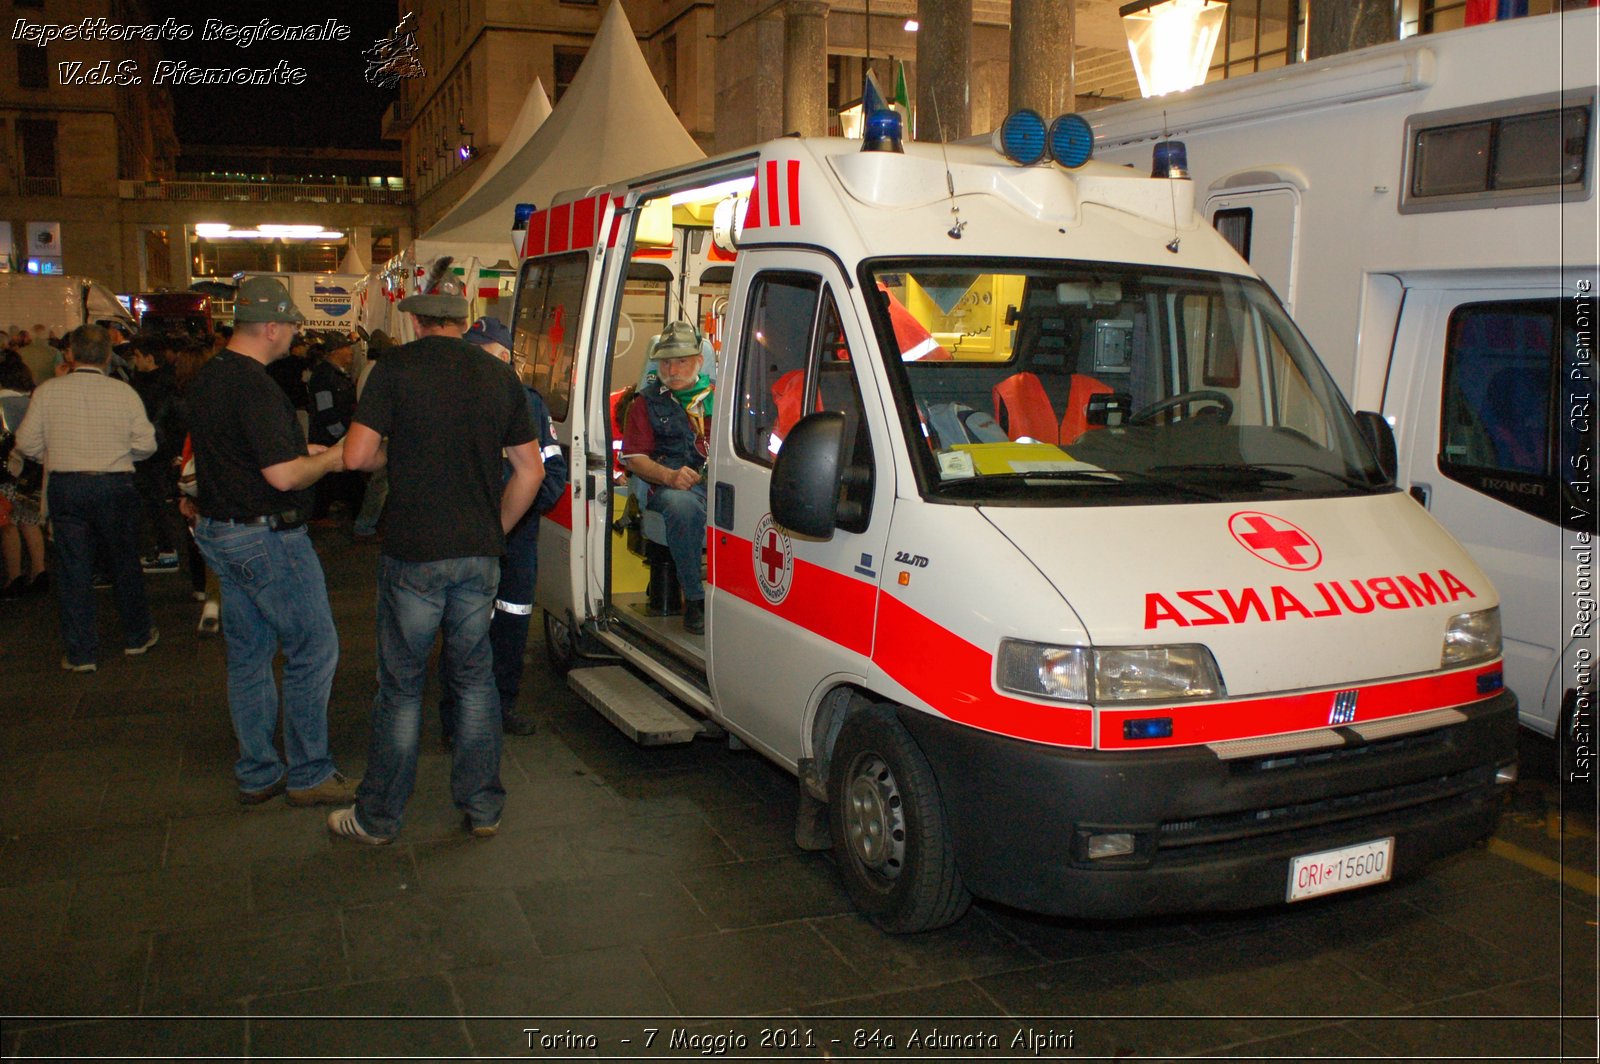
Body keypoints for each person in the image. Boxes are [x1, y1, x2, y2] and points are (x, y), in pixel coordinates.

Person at [329, 263, 543, 845]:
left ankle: (377, 818)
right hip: (478, 554)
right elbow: (531, 470)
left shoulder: (394, 370)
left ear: (417, 320)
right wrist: (494, 527)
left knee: (401, 687)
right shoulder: (499, 377)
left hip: (414, 554)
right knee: (474, 681)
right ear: (462, 320)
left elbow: (354, 458)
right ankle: (482, 806)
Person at [185, 277, 359, 807]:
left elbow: (247, 452)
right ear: (270, 326)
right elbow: (284, 476)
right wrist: (339, 455)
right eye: (289, 327)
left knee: (250, 654)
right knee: (314, 649)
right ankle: (310, 774)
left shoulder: (212, 376)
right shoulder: (254, 385)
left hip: (222, 533)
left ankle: (259, 770)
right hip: (267, 537)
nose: (293, 337)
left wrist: (309, 447)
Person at [438, 316, 567, 740]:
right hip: (463, 538)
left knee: (511, 624)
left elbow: (551, 474)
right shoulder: (450, 400)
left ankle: (502, 706)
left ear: (506, 358)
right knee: (461, 627)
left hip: (515, 542)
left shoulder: (528, 404)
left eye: (484, 354)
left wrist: (515, 518)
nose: (474, 362)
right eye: (469, 352)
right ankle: (455, 718)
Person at [14, 324, 158, 672]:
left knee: (73, 569)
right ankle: (137, 636)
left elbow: (27, 443)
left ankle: (81, 654)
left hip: (67, 486)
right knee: (124, 561)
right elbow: (147, 445)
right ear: (108, 355)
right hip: (114, 484)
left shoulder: (48, 392)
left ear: (70, 354)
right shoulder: (123, 393)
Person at [620, 321, 714, 634]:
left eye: (681, 361)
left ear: (698, 362)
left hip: (719, 483)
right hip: (670, 488)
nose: (672, 369)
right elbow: (634, 459)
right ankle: (696, 599)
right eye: (665, 362)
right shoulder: (646, 402)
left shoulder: (723, 399)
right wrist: (670, 476)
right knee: (683, 507)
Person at [306, 331, 362, 525]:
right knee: (325, 479)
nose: (351, 352)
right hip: (328, 437)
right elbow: (325, 410)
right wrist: (342, 436)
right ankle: (319, 515)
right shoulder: (324, 376)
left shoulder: (337, 374)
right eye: (346, 347)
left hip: (337, 435)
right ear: (335, 351)